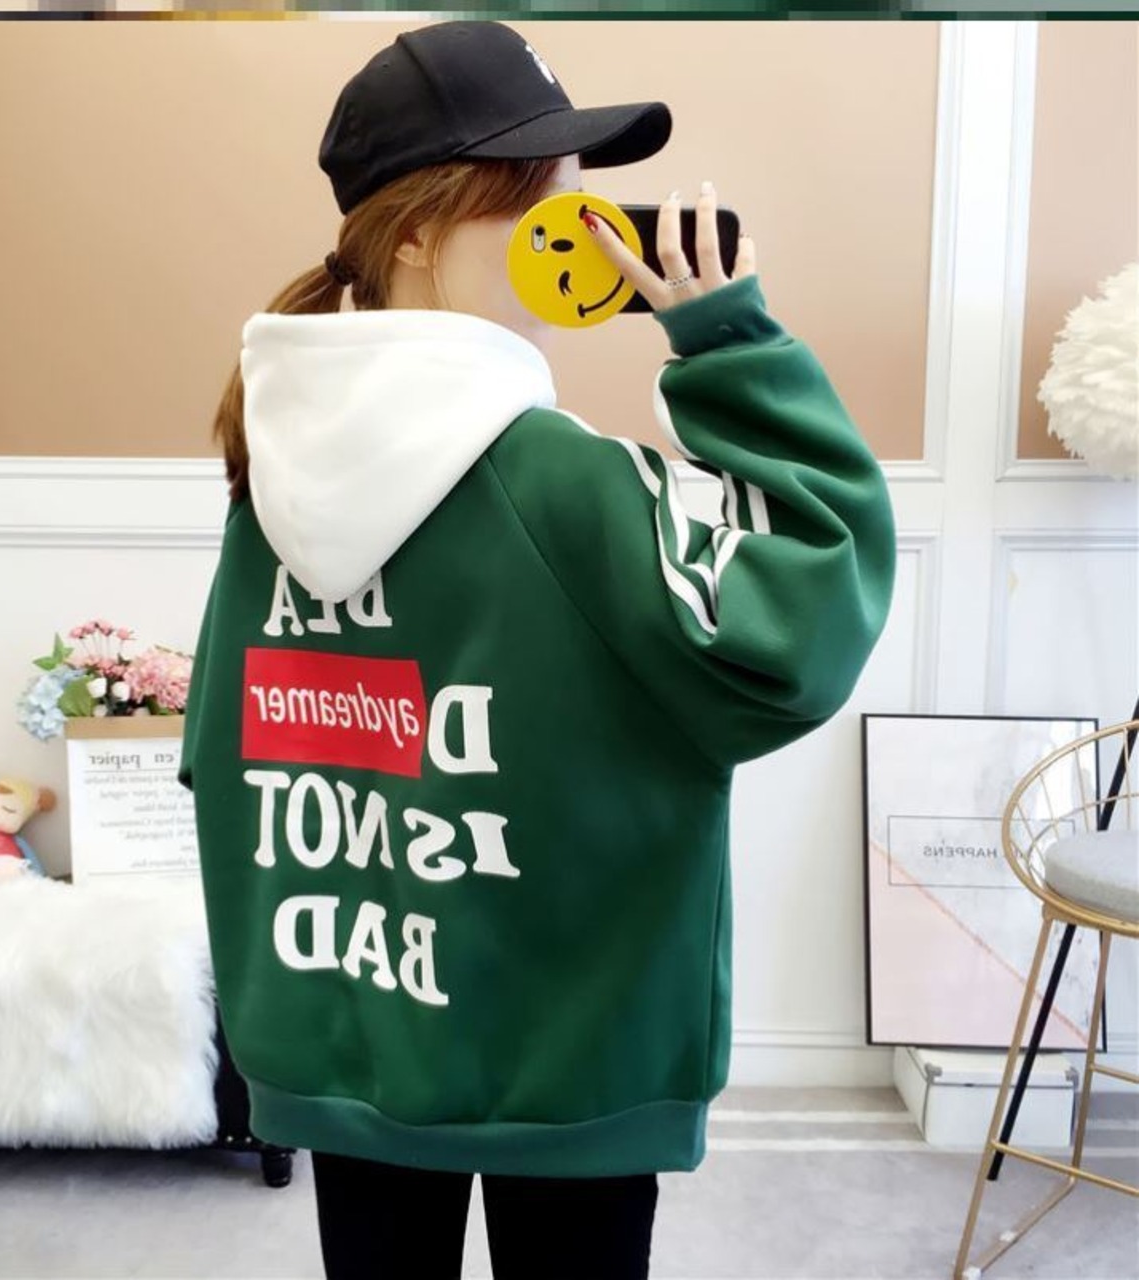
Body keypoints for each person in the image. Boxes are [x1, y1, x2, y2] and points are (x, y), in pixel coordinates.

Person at [179, 19, 896, 1280]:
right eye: (542, 201)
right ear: (418, 233)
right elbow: (807, 619)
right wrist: (729, 343)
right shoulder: (563, 482)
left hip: (351, 1032)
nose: (581, 235)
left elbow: (227, 752)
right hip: (569, 1053)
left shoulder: (270, 480)